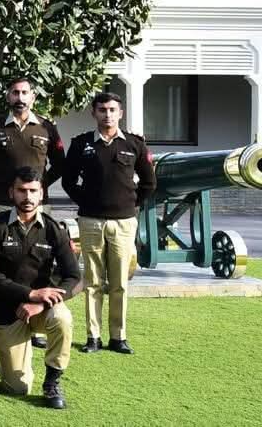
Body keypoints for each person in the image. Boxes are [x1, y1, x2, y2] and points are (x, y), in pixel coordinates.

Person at [62, 91, 155, 355]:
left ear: (120, 113)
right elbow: (69, 181)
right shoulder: (81, 144)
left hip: (124, 222)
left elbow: (149, 182)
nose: (107, 114)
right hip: (90, 221)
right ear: (94, 113)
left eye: (112, 110)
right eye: (102, 110)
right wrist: (87, 201)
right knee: (92, 281)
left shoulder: (135, 144)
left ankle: (118, 337)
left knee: (120, 282)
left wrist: (130, 204)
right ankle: (93, 337)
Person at [0, 167, 79, 409]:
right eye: (22, 190)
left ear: (41, 193)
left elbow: (74, 276)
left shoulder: (54, 229)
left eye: (33, 190)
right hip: (7, 314)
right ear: (12, 193)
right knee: (17, 388)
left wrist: (39, 302)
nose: (28, 196)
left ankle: (52, 382)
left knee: (62, 316)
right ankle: (10, 358)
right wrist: (29, 294)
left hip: (40, 310)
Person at [0, 78, 66, 350]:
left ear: (33, 96)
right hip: (2, 204)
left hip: (39, 205)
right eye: (15, 92)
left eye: (25, 92)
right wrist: (5, 187)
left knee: (39, 261)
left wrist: (38, 189)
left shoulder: (47, 127)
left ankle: (37, 320)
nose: (20, 97)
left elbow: (60, 164)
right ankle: (3, 321)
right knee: (2, 264)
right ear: (7, 96)